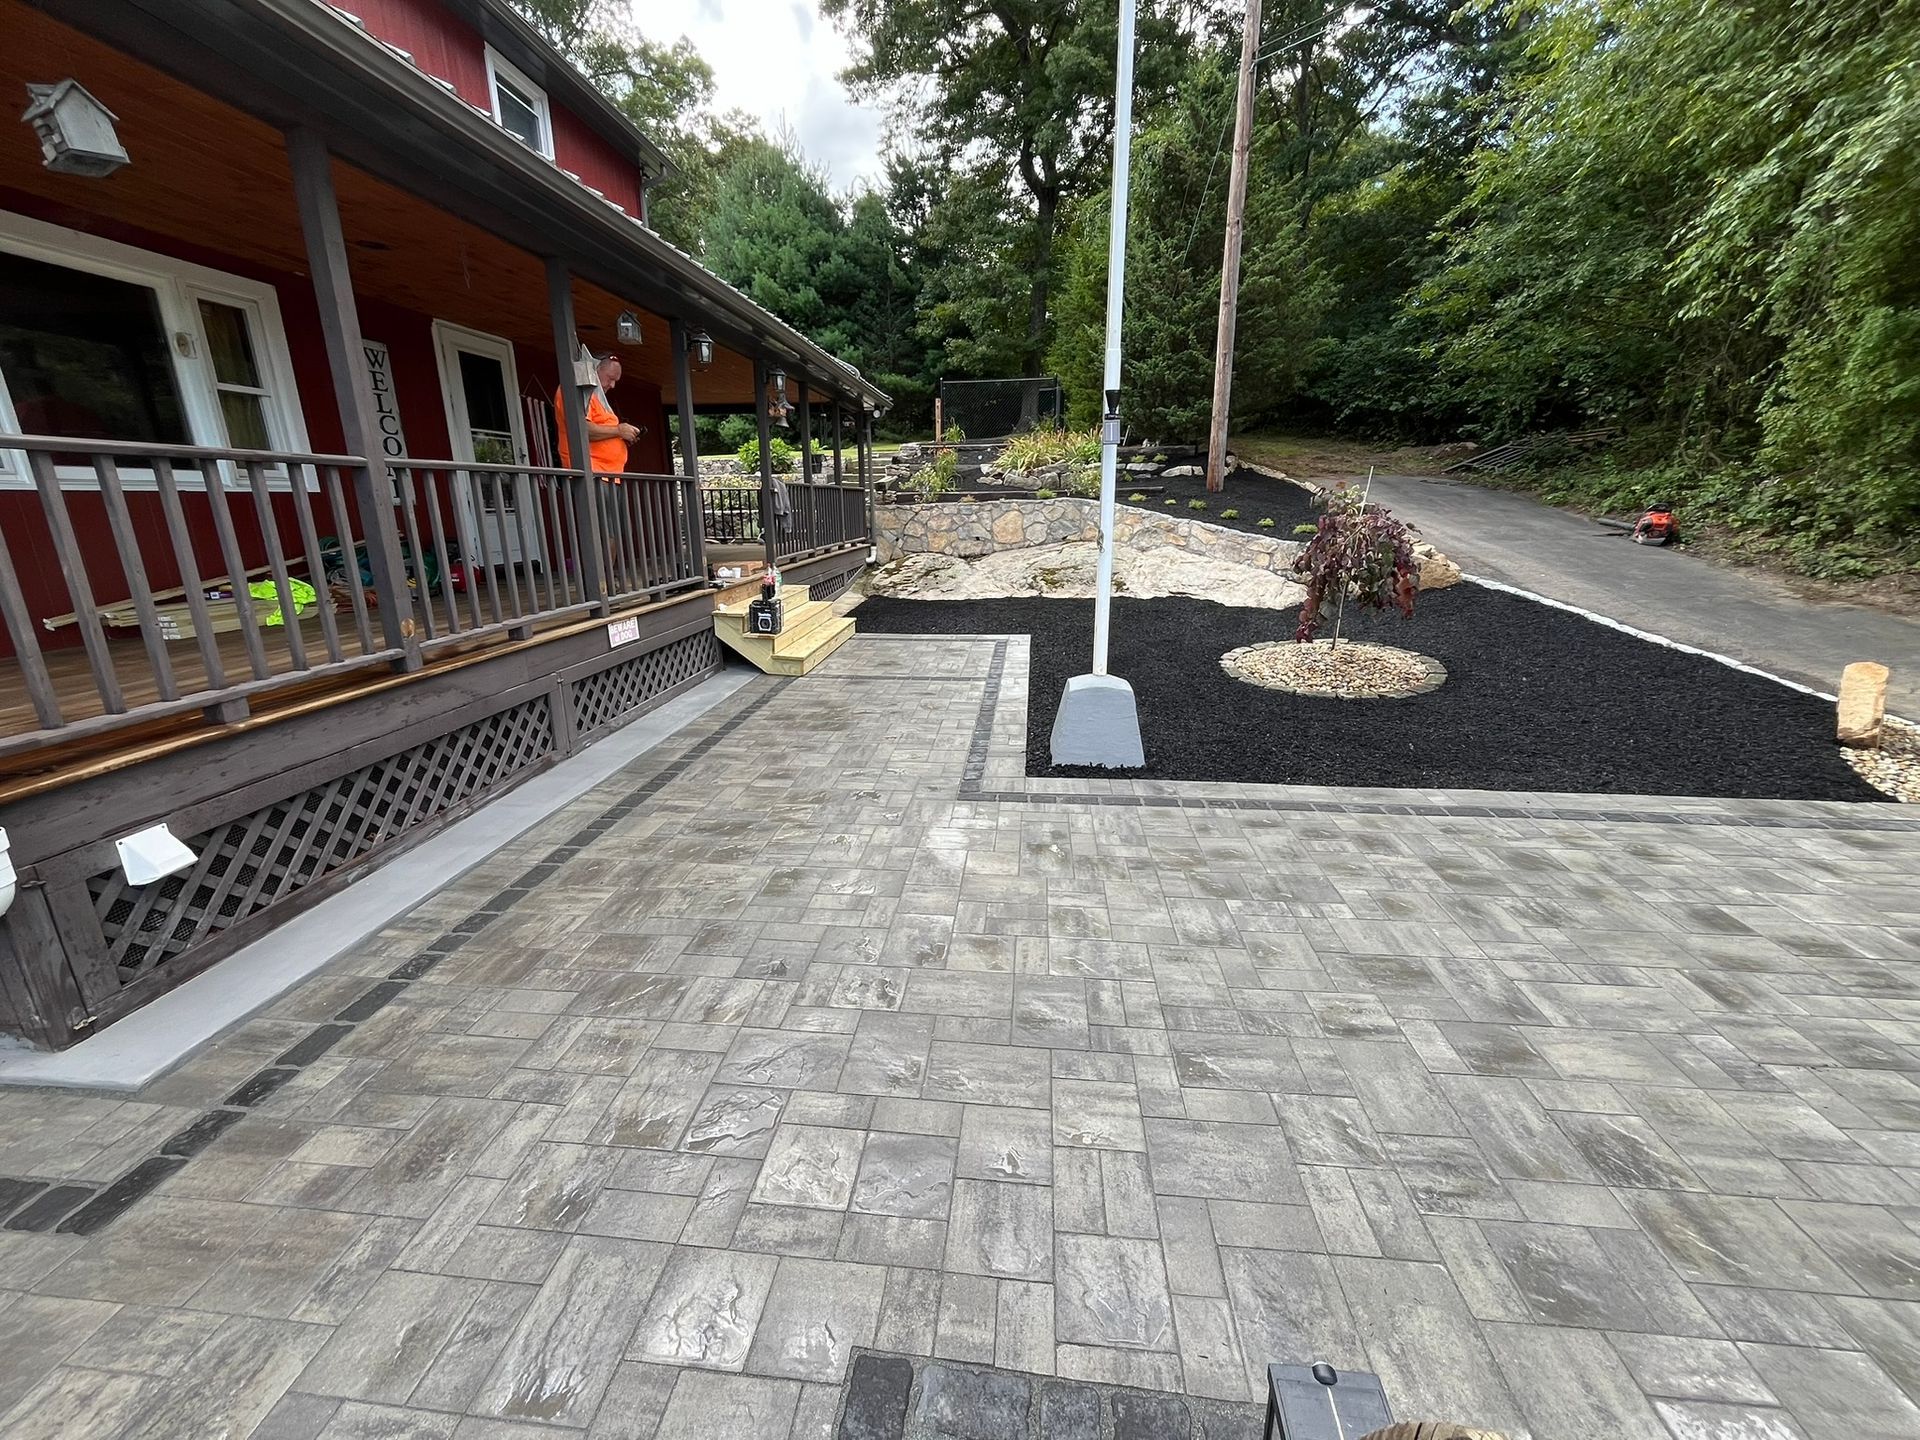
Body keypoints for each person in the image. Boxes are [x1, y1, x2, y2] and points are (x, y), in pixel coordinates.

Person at [554, 350, 640, 480]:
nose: (612, 385)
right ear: (595, 370)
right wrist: (618, 431)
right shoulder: (574, 391)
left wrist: (622, 437)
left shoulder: (595, 397)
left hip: (610, 476)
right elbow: (582, 430)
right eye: (610, 378)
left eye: (615, 381)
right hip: (591, 475)